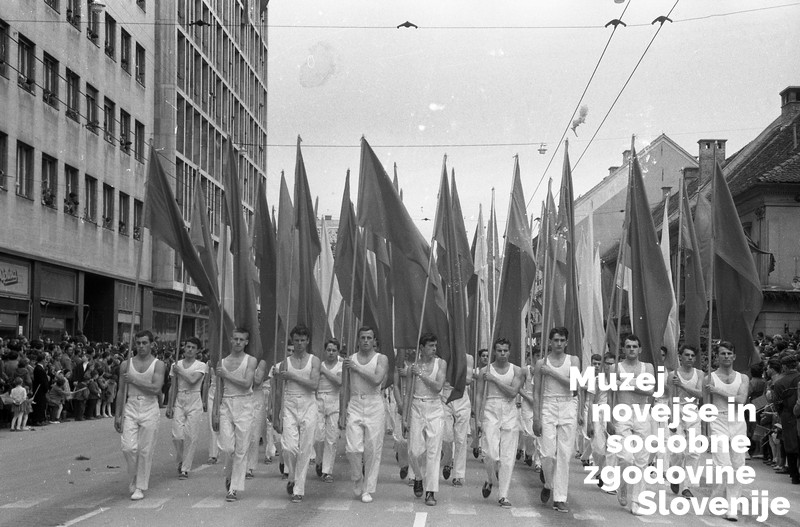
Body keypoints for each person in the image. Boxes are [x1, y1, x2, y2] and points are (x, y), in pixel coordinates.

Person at [533, 327, 582, 513]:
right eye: (555, 340)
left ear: (566, 342)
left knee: (564, 455)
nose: (559, 344)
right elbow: (536, 392)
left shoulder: (574, 360)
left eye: (562, 340)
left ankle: (560, 497)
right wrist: (536, 417)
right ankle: (548, 483)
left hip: (568, 403)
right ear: (550, 342)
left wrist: (552, 372)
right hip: (548, 405)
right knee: (547, 453)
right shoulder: (540, 363)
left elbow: (574, 385)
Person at [115, 330, 166, 501]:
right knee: (128, 447)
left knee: (145, 450)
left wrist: (135, 380)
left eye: (145, 343)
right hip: (131, 405)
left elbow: (156, 388)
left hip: (149, 406)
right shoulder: (125, 365)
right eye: (138, 343)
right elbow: (121, 390)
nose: (141, 346)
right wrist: (118, 415)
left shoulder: (158, 365)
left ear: (152, 344)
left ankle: (140, 486)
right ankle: (134, 477)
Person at [476, 337, 524, 508]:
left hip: (510, 411)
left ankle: (503, 495)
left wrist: (494, 379)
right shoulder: (484, 371)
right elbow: (480, 394)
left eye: (505, 350)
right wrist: (478, 416)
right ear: (494, 352)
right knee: (490, 453)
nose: (502, 354)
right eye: (499, 350)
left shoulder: (517, 371)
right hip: (491, 408)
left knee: (507, 457)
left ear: (509, 352)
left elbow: (512, 392)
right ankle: (490, 478)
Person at [276, 325, 321, 503]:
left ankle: (299, 489)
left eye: (303, 340)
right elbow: (279, 389)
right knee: (288, 446)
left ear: (308, 341)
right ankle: (292, 475)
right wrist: (277, 410)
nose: (300, 344)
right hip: (289, 403)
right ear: (292, 341)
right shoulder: (284, 363)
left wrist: (293, 377)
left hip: (308, 403)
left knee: (305, 447)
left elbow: (314, 384)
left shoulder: (314, 361)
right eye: (296, 340)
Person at [344, 326, 389, 504]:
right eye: (362, 337)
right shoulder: (350, 359)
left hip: (374, 403)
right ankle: (357, 477)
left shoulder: (381, 358)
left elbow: (377, 379)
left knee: (372, 449)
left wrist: (356, 368)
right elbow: (345, 386)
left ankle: (367, 489)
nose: (365, 341)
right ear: (358, 340)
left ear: (374, 341)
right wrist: (342, 411)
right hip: (355, 402)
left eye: (369, 338)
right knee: (353, 448)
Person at [706, 341, 751, 521]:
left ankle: (731, 506)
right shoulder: (709, 378)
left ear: (734, 356)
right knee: (723, 465)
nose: (726, 356)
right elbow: (706, 405)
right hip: (718, 419)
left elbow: (741, 400)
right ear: (717, 356)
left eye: (728, 353)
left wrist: (718, 390)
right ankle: (717, 500)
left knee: (738, 465)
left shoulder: (743, 378)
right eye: (722, 353)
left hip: (737, 421)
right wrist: (705, 432)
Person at [611, 334, 655, 515]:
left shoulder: (648, 367)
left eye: (634, 346)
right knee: (626, 458)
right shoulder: (615, 367)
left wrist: (625, 383)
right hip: (622, 412)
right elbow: (611, 393)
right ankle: (622, 484)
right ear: (623, 349)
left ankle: (637, 500)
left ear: (640, 349)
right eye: (628, 346)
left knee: (642, 460)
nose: (631, 349)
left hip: (642, 412)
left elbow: (650, 390)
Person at [212, 328, 257, 502]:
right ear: (231, 340)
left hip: (245, 403)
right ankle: (230, 474)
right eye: (235, 339)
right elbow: (219, 389)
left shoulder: (250, 360)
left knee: (241, 449)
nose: (238, 342)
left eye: (242, 340)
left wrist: (227, 374)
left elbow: (246, 383)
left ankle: (233, 488)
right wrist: (215, 412)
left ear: (246, 342)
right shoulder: (222, 362)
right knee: (228, 447)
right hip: (226, 403)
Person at [408, 333, 447, 506]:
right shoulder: (413, 366)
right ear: (422, 348)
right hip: (416, 406)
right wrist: (405, 416)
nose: (433, 349)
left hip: (434, 408)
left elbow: (438, 387)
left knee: (433, 451)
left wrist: (422, 374)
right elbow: (408, 391)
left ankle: (430, 491)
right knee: (414, 451)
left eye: (435, 346)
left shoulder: (441, 364)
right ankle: (418, 476)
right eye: (430, 346)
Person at [166, 337, 208, 480]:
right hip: (180, 398)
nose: (189, 349)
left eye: (193, 347)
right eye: (187, 346)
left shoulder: (201, 365)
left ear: (197, 350)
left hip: (194, 399)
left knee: (190, 435)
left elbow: (192, 380)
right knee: (177, 435)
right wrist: (170, 405)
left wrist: (180, 371)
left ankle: (185, 468)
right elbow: (173, 386)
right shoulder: (175, 365)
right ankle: (180, 459)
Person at [667, 344, 704, 498]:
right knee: (678, 451)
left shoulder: (699, 374)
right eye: (686, 355)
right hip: (677, 410)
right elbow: (670, 396)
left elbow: (701, 394)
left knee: (693, 452)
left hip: (693, 411)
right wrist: (670, 416)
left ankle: (687, 486)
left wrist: (681, 384)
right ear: (680, 356)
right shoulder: (672, 374)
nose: (689, 358)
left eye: (692, 356)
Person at [587, 352, 618, 494]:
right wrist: (590, 423)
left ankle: (609, 480)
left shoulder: (618, 379)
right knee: (598, 448)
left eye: (612, 364)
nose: (609, 366)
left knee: (612, 449)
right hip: (599, 413)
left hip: (615, 414)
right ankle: (599, 470)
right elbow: (592, 401)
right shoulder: (597, 380)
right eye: (607, 363)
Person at [441, 351, 474, 487]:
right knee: (446, 435)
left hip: (461, 395)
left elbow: (467, 380)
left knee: (461, 437)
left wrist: (452, 373)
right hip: (445, 395)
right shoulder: (441, 357)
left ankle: (459, 475)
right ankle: (448, 459)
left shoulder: (467, 357)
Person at [315, 338, 343, 483]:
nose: (331, 353)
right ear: (324, 351)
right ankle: (319, 461)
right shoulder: (318, 365)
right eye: (328, 350)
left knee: (331, 439)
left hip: (334, 401)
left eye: (334, 350)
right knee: (318, 437)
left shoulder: (341, 365)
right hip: (319, 401)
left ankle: (327, 470)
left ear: (338, 351)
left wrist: (324, 372)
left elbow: (339, 382)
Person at [392, 349, 415, 483]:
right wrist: (400, 403)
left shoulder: (419, 365)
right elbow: (395, 385)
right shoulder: (399, 365)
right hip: (402, 401)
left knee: (414, 442)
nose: (409, 351)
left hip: (415, 404)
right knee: (401, 440)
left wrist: (409, 374)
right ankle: (403, 464)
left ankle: (413, 475)